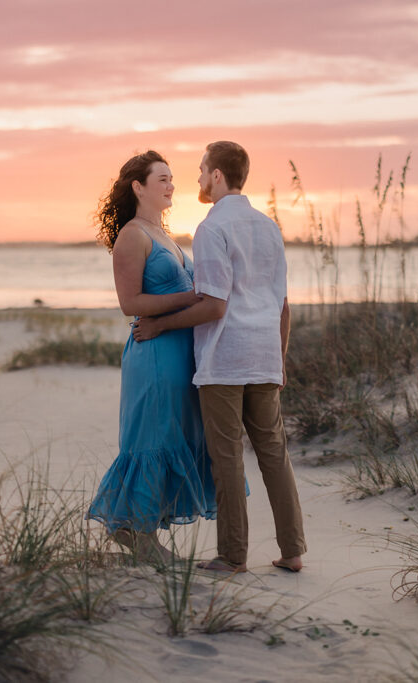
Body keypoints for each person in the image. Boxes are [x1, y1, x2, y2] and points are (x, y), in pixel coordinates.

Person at [133, 141, 306, 573]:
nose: (195, 179)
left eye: (200, 170)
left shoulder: (211, 229)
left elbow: (214, 305)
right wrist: (280, 360)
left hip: (225, 360)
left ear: (216, 175)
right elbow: (283, 305)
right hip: (265, 356)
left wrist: (159, 326)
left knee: (226, 458)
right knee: (274, 454)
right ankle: (293, 551)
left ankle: (232, 556)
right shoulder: (268, 227)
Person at [87, 150, 217, 564]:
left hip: (180, 349)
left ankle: (142, 532)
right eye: (162, 178)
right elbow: (131, 303)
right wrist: (194, 295)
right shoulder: (132, 235)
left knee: (175, 437)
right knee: (151, 439)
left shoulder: (166, 234)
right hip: (154, 352)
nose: (171, 185)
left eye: (173, 178)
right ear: (138, 186)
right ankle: (134, 532)